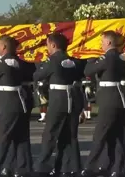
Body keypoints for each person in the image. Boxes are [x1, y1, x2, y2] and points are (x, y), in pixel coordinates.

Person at [33, 32, 82, 177]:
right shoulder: (73, 61)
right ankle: (71, 167)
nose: (47, 48)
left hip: (58, 99)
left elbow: (37, 75)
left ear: (53, 45)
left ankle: (41, 165)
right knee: (70, 136)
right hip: (72, 99)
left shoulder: (52, 60)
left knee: (50, 133)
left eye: (48, 45)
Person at [81, 31, 125, 177]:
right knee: (118, 136)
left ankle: (90, 166)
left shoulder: (108, 57)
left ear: (108, 42)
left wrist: (91, 59)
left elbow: (88, 71)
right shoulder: (123, 57)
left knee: (100, 134)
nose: (101, 44)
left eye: (102, 42)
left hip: (109, 99)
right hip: (120, 98)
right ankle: (117, 168)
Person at [0, 35, 31, 177]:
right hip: (21, 104)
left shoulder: (2, 64)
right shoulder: (20, 62)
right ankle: (22, 169)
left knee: (3, 138)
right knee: (21, 138)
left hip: (9, 105)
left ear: (4, 47)